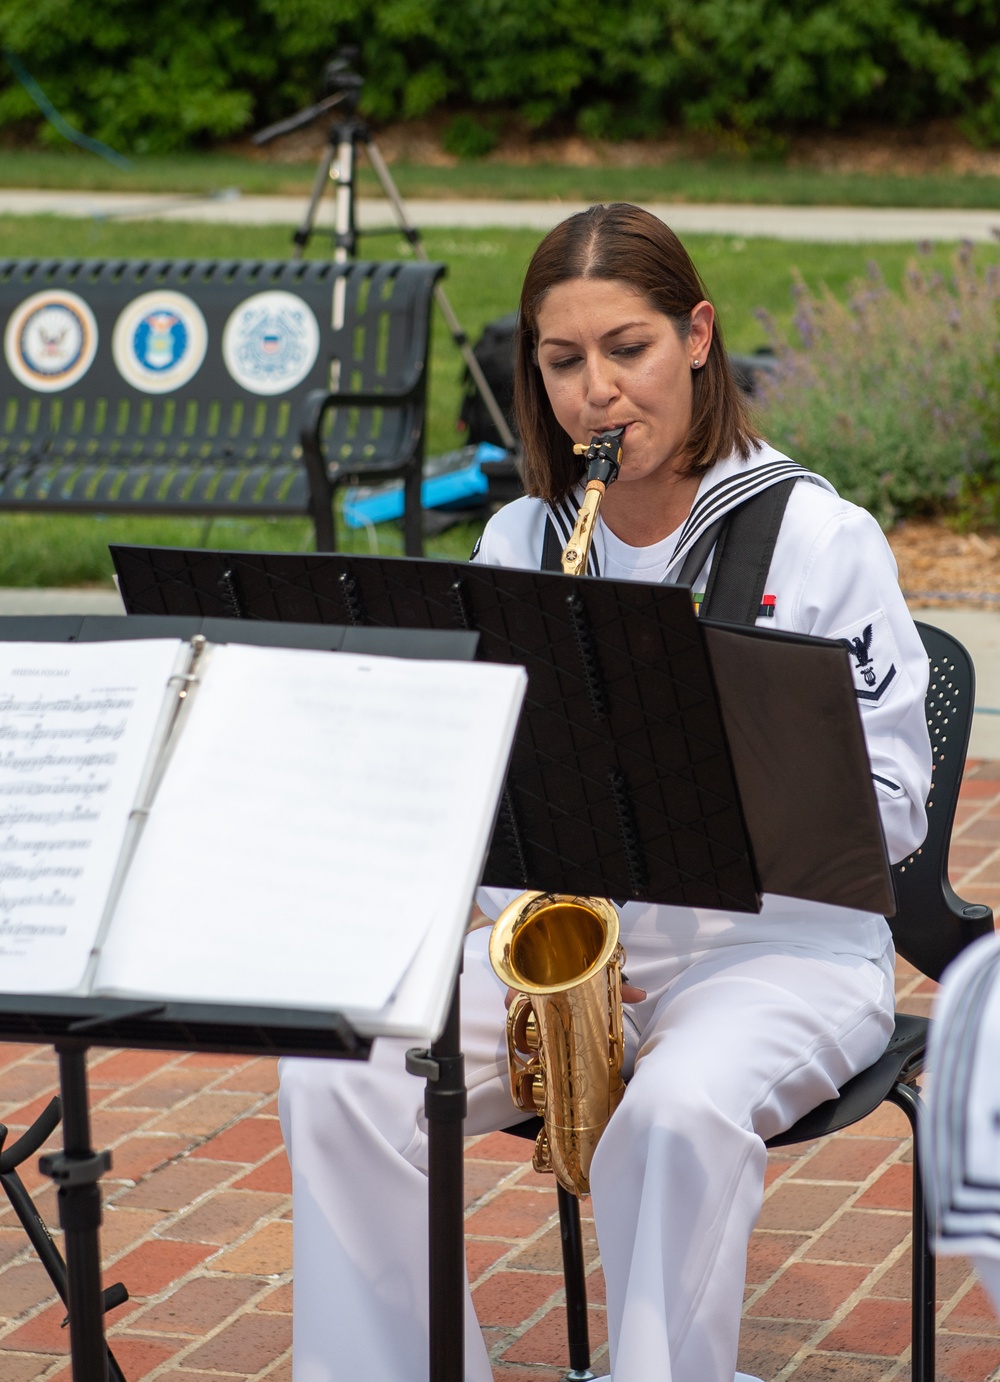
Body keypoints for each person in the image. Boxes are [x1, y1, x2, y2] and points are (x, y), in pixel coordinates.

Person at [278, 203, 933, 1382]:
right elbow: (471, 786)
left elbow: (891, 802)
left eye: (624, 349)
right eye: (562, 359)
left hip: (779, 948)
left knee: (673, 1113)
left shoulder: (820, 540)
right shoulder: (522, 536)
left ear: (696, 336)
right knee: (338, 1066)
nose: (596, 392)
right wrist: (516, 915)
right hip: (567, 944)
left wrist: (703, 790)